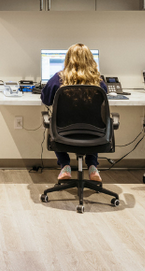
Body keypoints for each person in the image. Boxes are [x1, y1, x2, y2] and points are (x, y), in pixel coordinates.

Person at [40, 43, 107, 182]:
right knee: (94, 121)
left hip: (63, 133)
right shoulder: (99, 81)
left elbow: (46, 100)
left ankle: (65, 165)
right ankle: (93, 167)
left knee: (53, 122)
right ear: (90, 60)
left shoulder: (58, 78)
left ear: (68, 59)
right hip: (94, 134)